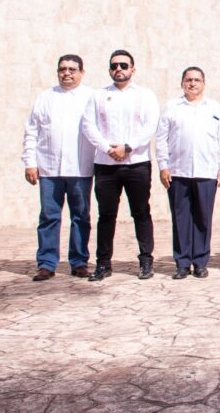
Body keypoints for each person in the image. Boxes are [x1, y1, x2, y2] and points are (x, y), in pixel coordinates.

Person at [80, 49, 160, 281]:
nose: (119, 69)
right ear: (109, 69)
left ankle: (146, 260)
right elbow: (89, 125)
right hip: (106, 164)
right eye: (114, 66)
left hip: (136, 163)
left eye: (124, 66)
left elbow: (150, 125)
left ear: (133, 69)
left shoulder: (145, 95)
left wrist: (128, 147)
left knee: (141, 212)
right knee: (106, 215)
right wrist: (107, 148)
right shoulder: (98, 95)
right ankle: (103, 264)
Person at [22, 54, 95, 281]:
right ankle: (46, 263)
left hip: (80, 168)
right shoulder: (45, 97)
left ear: (82, 72)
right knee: (49, 216)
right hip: (49, 168)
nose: (67, 73)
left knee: (80, 216)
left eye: (72, 69)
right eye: (63, 69)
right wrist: (30, 163)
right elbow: (31, 132)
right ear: (57, 72)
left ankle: (79, 261)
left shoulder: (91, 97)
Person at [155, 67, 220, 280]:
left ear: (203, 84)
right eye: (188, 80)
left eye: (197, 80)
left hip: (206, 172)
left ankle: (200, 262)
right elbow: (161, 139)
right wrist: (163, 166)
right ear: (182, 83)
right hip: (178, 172)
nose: (192, 84)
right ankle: (181, 263)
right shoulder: (172, 107)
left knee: (203, 219)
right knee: (181, 219)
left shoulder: (214, 107)